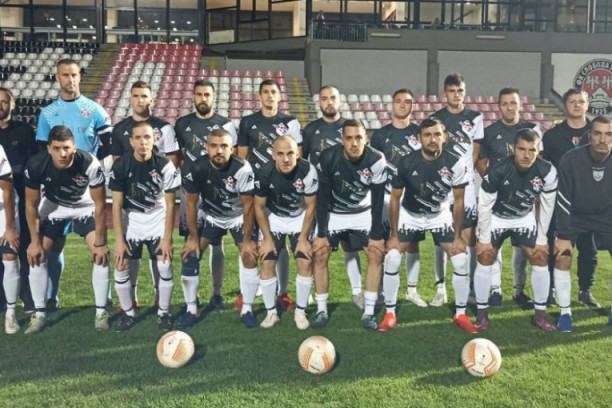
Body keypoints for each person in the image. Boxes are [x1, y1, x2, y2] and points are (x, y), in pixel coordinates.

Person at [381, 118, 476, 333]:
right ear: (419, 138)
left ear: (444, 137)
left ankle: (461, 314)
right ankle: (390, 313)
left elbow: (458, 200)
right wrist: (394, 235)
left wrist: (458, 237)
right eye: (427, 135)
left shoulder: (455, 163)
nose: (432, 139)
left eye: (437, 134)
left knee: (461, 260)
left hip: (439, 215)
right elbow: (394, 198)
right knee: (393, 257)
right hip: (410, 215)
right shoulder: (406, 162)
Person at [35, 58, 112, 311]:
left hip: (87, 190)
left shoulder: (95, 109)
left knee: (98, 246)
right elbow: (42, 152)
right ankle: (51, 297)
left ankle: (105, 299)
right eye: (65, 75)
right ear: (57, 78)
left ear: (80, 76)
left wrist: (90, 170)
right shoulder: (47, 113)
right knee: (54, 247)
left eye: (74, 75)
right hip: (56, 192)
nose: (70, 79)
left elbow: (109, 147)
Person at [23, 126, 110, 334]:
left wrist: (100, 242)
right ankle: (40, 314)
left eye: (66, 148)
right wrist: (34, 242)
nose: (62, 153)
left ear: (74, 147)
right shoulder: (36, 164)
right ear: (49, 149)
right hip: (54, 206)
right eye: (57, 148)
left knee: (100, 255)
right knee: (37, 255)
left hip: (85, 205)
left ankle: (101, 313)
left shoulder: (90, 163)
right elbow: (31, 205)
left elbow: (100, 204)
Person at [473, 129, 557, 331]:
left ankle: (540, 315)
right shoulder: (497, 169)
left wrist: (542, 239)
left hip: (523, 218)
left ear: (538, 151)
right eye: (522, 149)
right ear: (513, 149)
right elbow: (484, 205)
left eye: (532, 150)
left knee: (540, 257)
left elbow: (547, 206)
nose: (527, 155)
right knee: (485, 255)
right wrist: (484, 238)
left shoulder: (547, 171)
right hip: (496, 217)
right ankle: (482, 314)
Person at [110, 80, 180, 310]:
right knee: (124, 261)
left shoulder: (165, 131)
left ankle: (163, 307)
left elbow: (170, 188)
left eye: (144, 96)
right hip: (132, 213)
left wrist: (168, 237)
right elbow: (119, 181)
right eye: (136, 95)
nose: (140, 100)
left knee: (162, 260)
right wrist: (118, 239)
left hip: (157, 211)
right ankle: (129, 307)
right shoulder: (119, 131)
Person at [180, 128, 259, 329]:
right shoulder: (197, 168)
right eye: (214, 146)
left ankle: (247, 309)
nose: (219, 151)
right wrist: (192, 237)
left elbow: (249, 206)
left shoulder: (243, 169)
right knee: (190, 255)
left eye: (224, 146)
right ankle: (191, 309)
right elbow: (191, 204)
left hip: (237, 216)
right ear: (206, 148)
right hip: (211, 216)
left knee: (249, 256)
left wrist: (248, 240)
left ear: (232, 149)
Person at [313, 119, 386, 330]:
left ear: (366, 139)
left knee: (375, 253)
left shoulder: (376, 159)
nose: (354, 143)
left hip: (362, 211)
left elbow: (378, 199)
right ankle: (321, 310)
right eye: (349, 138)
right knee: (320, 253)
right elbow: (322, 197)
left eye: (358, 138)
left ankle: (369, 312)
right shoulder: (328, 157)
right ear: (342, 140)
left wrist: (376, 235)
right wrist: (321, 234)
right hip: (335, 212)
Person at [237, 79, 301, 311]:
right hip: (257, 190)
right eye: (265, 92)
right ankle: (246, 292)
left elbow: (297, 156)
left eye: (273, 92)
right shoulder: (248, 122)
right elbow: (242, 158)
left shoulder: (290, 123)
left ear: (279, 96)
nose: (269, 95)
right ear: (259, 96)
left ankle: (283, 292)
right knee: (249, 241)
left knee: (279, 243)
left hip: (282, 188)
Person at [175, 79, 238, 310]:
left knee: (216, 243)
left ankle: (216, 293)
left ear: (214, 98)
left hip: (216, 191)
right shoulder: (182, 123)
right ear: (193, 97)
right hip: (191, 190)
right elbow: (179, 156)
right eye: (199, 94)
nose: (203, 98)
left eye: (207, 95)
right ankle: (192, 296)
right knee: (191, 242)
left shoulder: (226, 124)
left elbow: (233, 157)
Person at [477, 87, 542, 309]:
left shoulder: (532, 129)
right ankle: (496, 290)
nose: (509, 107)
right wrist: (494, 182)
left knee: (521, 248)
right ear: (498, 106)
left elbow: (539, 160)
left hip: (524, 199)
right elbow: (481, 162)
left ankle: (518, 290)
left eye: (513, 103)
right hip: (498, 200)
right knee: (494, 247)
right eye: (504, 103)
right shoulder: (490, 132)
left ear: (520, 104)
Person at [304, 85, 368, 308]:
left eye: (333, 98)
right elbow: (303, 163)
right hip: (320, 199)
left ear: (340, 101)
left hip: (349, 200)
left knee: (350, 246)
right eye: (324, 98)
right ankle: (310, 290)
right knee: (317, 247)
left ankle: (357, 292)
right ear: (319, 102)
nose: (329, 102)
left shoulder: (351, 128)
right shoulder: (310, 130)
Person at [554, 115, 612, 332]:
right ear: (589, 136)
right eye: (597, 133)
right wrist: (563, 236)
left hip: (607, 215)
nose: (603, 139)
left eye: (608, 134)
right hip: (576, 215)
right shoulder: (571, 160)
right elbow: (563, 199)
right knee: (563, 256)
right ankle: (565, 314)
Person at [254, 136, 317, 329]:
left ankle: (300, 312)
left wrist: (304, 239)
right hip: (274, 216)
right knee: (267, 260)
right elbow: (259, 207)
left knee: (304, 260)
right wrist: (266, 238)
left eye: (290, 153)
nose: (286, 159)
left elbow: (311, 206)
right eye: (280, 154)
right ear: (273, 155)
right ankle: (271, 313)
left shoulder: (308, 170)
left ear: (297, 154)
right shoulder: (264, 173)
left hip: (300, 216)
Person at [430, 73, 484, 302]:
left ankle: (469, 288)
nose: (456, 95)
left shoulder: (475, 117)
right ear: (445, 93)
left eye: (460, 90)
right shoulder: (436, 118)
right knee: (440, 236)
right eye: (452, 91)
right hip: (442, 184)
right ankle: (441, 288)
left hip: (466, 185)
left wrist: (465, 175)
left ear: (464, 92)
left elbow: (476, 151)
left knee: (468, 236)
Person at [543, 88, 598, 308]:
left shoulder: (599, 133)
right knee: (556, 247)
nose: (577, 105)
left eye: (581, 101)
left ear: (587, 105)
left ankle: (585, 291)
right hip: (561, 202)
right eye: (572, 101)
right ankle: (550, 289)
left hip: (590, 203)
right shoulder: (552, 136)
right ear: (565, 106)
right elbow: (544, 168)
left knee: (588, 250)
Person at [370, 88, 425, 306]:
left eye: (407, 102)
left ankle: (412, 290)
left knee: (412, 243)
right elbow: (373, 166)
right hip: (386, 197)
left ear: (412, 105)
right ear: (392, 105)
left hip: (412, 197)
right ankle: (382, 289)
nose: (403, 105)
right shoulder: (380, 135)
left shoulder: (420, 132)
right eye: (399, 101)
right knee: (385, 243)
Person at [0, 87, 38, 313]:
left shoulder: (25, 131)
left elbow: (33, 164)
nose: (0, 105)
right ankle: (3, 301)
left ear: (12, 105)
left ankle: (28, 298)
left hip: (23, 199)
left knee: (23, 249)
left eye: (4, 101)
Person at [0, 143, 19, 333]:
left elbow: (7, 189)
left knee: (9, 254)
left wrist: (10, 227)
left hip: (3, 209)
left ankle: (11, 314)